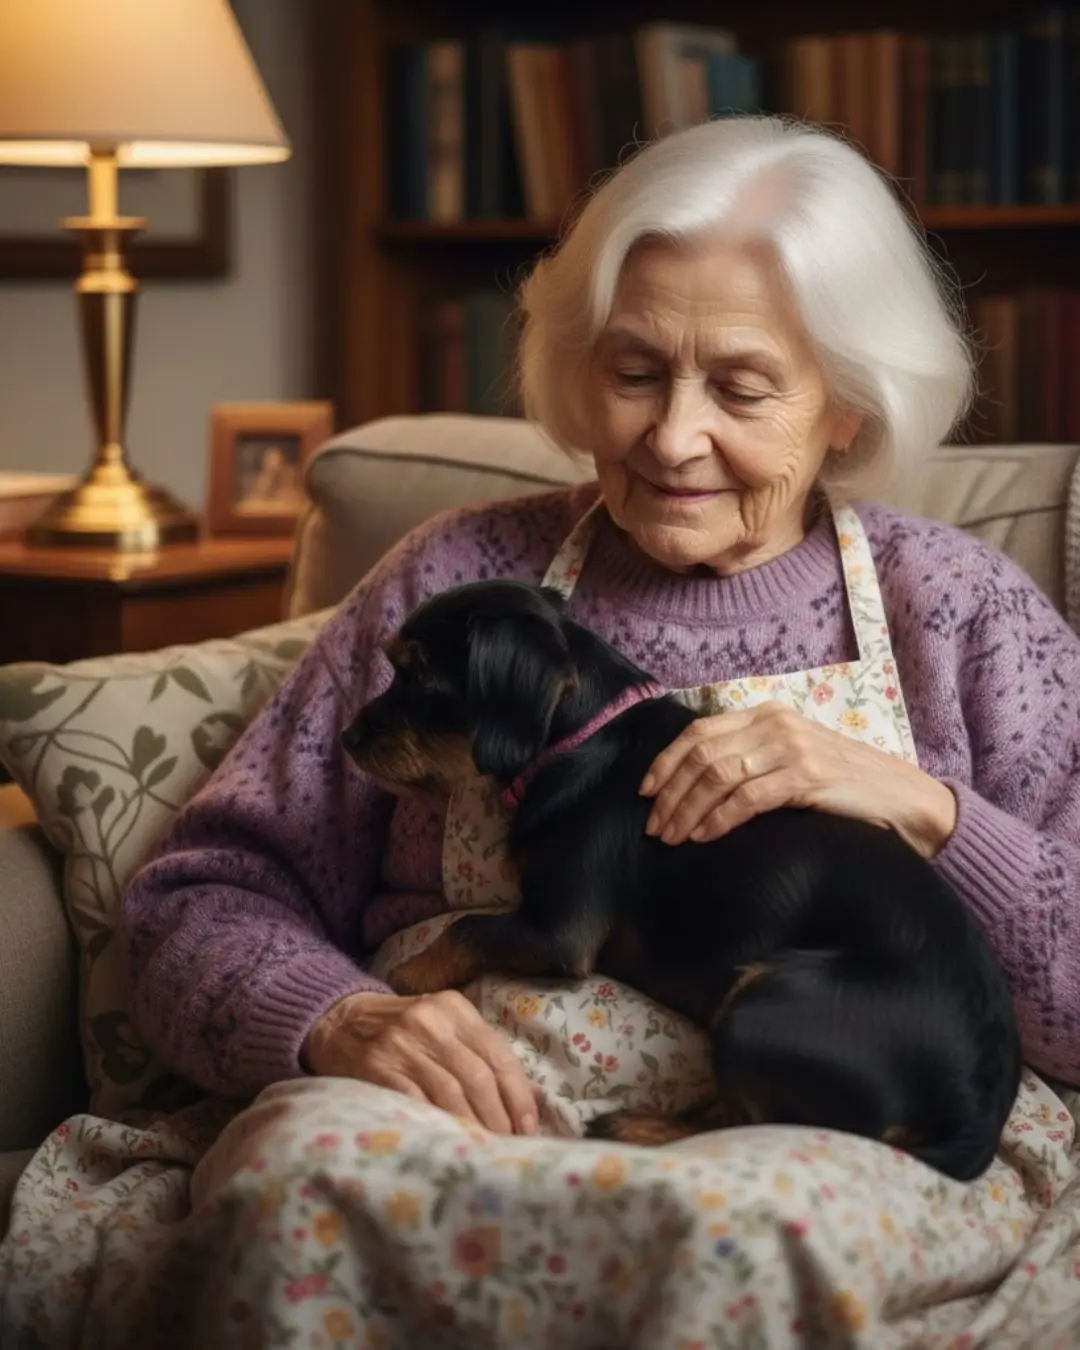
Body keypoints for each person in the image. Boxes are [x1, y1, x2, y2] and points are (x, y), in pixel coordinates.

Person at [115, 115, 1080, 1343]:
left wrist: (927, 809)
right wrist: (335, 1019)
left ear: (847, 405)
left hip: (820, 1126)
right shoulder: (454, 577)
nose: (673, 438)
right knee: (294, 1199)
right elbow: (203, 892)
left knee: (736, 1243)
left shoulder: (958, 610)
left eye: (739, 387)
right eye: (634, 373)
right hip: (447, 1116)